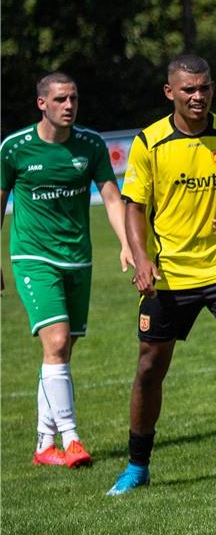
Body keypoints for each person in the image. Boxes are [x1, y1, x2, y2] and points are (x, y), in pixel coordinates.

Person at [107, 54, 216, 496]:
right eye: (188, 90)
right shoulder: (150, 142)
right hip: (170, 273)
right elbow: (134, 206)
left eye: (204, 88)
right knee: (150, 367)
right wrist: (142, 258)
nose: (198, 96)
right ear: (170, 93)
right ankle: (137, 465)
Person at [1, 73, 133, 468]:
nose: (69, 105)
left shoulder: (90, 144)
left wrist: (127, 243)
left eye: (73, 98)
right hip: (33, 257)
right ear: (42, 103)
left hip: (78, 258)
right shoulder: (14, 149)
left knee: (59, 351)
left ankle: (44, 444)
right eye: (60, 99)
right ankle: (72, 438)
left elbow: (112, 199)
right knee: (56, 342)